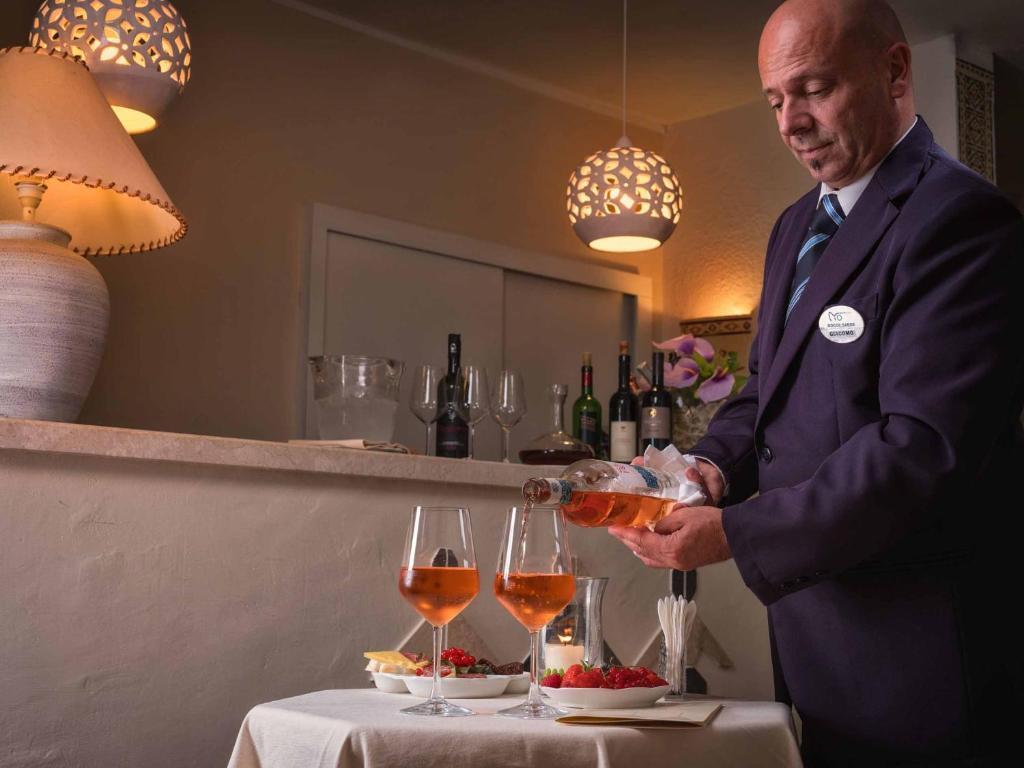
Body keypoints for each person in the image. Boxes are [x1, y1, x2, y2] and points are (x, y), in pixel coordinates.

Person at [608, 0, 1023, 765]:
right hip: (817, 645)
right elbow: (763, 392)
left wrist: (735, 533)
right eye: (775, 100)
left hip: (924, 657)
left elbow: (920, 451)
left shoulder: (961, 219)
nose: (791, 123)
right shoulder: (794, 227)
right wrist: (706, 469)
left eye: (814, 89)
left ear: (894, 72)